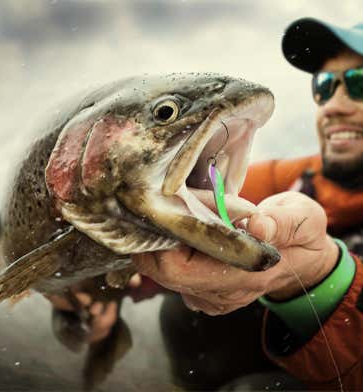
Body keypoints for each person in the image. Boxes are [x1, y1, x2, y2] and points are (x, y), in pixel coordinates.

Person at [48, 17, 363, 390]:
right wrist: (99, 285)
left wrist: (323, 278)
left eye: (358, 84)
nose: (333, 107)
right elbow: (163, 205)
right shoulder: (299, 175)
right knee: (184, 315)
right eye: (324, 87)